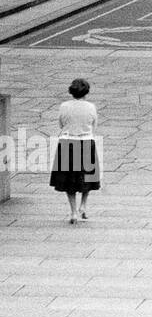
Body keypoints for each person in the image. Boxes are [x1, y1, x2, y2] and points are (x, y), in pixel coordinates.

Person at [49, 78, 101, 224]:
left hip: (67, 142)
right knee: (87, 177)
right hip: (86, 141)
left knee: (69, 180)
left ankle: (73, 212)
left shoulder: (64, 106)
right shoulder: (91, 107)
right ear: (86, 91)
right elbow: (94, 125)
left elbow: (61, 124)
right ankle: (83, 205)